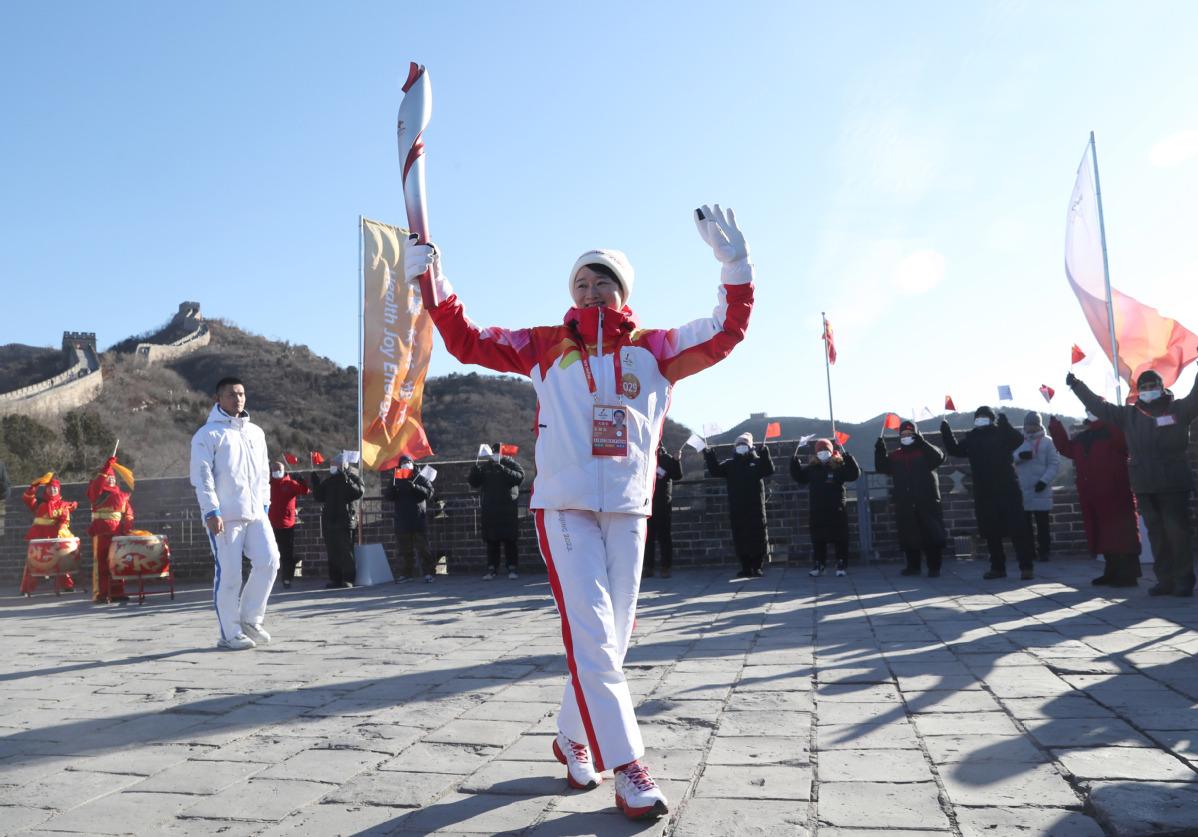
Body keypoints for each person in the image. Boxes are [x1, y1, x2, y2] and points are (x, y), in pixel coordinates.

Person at [406, 203, 753, 821]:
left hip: (627, 507)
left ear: (623, 291)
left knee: (612, 642)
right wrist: (432, 279)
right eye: (580, 283)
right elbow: (466, 339)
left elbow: (724, 332)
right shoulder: (544, 347)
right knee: (592, 634)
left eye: (602, 282)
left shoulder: (657, 349)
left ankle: (572, 738)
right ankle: (628, 767)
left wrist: (736, 266)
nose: (590, 291)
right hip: (563, 507)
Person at [1067, 367, 1198, 596]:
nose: (1149, 391)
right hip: (1145, 484)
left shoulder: (1179, 409)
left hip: (1173, 482)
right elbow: (1100, 408)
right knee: (1157, 535)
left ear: (1162, 387)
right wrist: (1077, 386)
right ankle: (1165, 580)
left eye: (1153, 386)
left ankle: (1184, 579)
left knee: (1177, 534)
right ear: (1138, 391)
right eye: (1144, 388)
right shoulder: (1130, 414)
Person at [190, 377, 279, 650]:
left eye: (241, 394)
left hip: (255, 513)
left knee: (269, 561)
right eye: (231, 395)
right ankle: (229, 633)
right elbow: (201, 476)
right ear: (219, 399)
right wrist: (211, 511)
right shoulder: (207, 434)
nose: (237, 399)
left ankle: (251, 619)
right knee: (230, 575)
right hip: (224, 516)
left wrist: (264, 504)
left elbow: (264, 473)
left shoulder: (256, 433)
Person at [940, 407, 1037, 580]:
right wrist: (946, 432)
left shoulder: (1001, 433)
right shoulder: (972, 437)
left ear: (991, 419)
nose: (981, 420)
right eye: (978, 417)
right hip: (984, 490)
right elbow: (955, 450)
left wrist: (1006, 424)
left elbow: (1018, 440)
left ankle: (1026, 566)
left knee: (1018, 529)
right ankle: (997, 567)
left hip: (1008, 487)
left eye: (985, 417)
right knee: (991, 530)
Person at [1048, 413, 1141, 586]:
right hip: (1092, 492)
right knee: (1103, 533)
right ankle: (1112, 571)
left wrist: (1112, 419)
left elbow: (1125, 444)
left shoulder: (1115, 432)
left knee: (1122, 533)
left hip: (1116, 491)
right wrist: (1055, 426)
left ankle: (1128, 574)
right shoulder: (1085, 437)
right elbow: (1067, 449)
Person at [874, 421, 947, 577]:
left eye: (909, 434)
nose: (906, 437)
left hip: (927, 500)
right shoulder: (896, 455)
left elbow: (939, 457)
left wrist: (923, 443)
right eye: (903, 435)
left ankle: (934, 567)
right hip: (905, 501)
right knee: (909, 535)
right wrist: (880, 450)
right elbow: (882, 467)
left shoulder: (925, 452)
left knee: (931, 534)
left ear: (916, 434)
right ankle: (913, 567)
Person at [792, 437, 861, 577]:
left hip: (836, 508)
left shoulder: (838, 466)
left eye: (826, 450)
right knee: (818, 538)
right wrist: (794, 463)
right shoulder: (812, 469)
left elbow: (854, 474)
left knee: (840, 538)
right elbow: (799, 477)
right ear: (816, 453)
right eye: (820, 450)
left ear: (831, 451)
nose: (823, 452)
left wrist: (849, 458)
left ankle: (841, 563)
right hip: (817, 509)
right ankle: (819, 564)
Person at [468, 443, 525, 580]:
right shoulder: (486, 467)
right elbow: (475, 483)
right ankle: (492, 568)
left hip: (507, 509)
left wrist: (503, 469)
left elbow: (519, 477)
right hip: (490, 509)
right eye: (493, 453)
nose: (495, 455)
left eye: (497, 453)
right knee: (492, 541)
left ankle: (512, 567)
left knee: (510, 540)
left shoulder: (511, 464)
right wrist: (474, 472)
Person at [310, 454, 364, 588]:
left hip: (345, 520)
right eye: (331, 465)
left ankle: (348, 579)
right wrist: (316, 483)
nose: (332, 467)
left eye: (335, 465)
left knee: (346, 551)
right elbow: (319, 496)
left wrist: (346, 479)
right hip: (330, 521)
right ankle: (335, 578)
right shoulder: (330, 480)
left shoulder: (352, 477)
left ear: (342, 465)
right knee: (332, 552)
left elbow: (358, 492)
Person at [1013, 411, 1061, 562]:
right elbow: (1009, 459)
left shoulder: (1048, 442)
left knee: (1043, 525)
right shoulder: (1018, 441)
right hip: (1022, 488)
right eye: (1028, 425)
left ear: (1039, 425)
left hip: (1041, 487)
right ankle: (1028, 551)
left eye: (1034, 425)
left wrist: (1044, 481)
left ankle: (1044, 551)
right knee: (1024, 525)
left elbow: (1054, 464)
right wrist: (1019, 457)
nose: (1031, 428)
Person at [20, 474, 78, 595]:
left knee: (60, 561)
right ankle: (26, 588)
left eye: (55, 488)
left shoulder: (63, 505)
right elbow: (27, 498)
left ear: (58, 489)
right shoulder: (38, 503)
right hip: (38, 535)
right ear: (46, 489)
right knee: (33, 562)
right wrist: (34, 486)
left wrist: (61, 532)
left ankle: (67, 585)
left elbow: (64, 520)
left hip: (54, 534)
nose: (52, 490)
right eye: (50, 488)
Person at [87, 456, 134, 603]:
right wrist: (106, 467)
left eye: (113, 478)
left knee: (118, 562)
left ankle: (117, 592)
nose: (111, 480)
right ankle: (101, 594)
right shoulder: (97, 492)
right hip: (101, 532)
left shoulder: (122, 495)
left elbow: (129, 513)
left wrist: (127, 526)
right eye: (108, 477)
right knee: (101, 564)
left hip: (117, 533)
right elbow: (96, 486)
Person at [382, 455, 435, 583]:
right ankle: (406, 574)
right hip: (402, 519)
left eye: (408, 462)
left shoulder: (420, 476)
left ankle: (429, 573)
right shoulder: (396, 478)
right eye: (404, 463)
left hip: (418, 518)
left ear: (412, 463)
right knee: (404, 550)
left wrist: (415, 487)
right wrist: (393, 489)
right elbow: (388, 496)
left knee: (423, 548)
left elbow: (429, 493)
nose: (406, 465)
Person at [644, 444, 683, 578]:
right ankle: (648, 567)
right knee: (647, 538)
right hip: (646, 504)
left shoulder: (666, 458)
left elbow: (677, 476)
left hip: (662, 504)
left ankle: (666, 567)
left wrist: (677, 461)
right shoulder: (645, 456)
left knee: (664, 537)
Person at [269, 461, 310, 589]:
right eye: (274, 469)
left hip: (287, 525)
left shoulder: (290, 484)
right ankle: (270, 577)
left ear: (283, 470)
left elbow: (305, 491)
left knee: (286, 553)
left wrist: (302, 480)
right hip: (270, 524)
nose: (276, 472)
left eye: (278, 469)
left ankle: (287, 578)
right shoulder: (267, 484)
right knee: (270, 552)